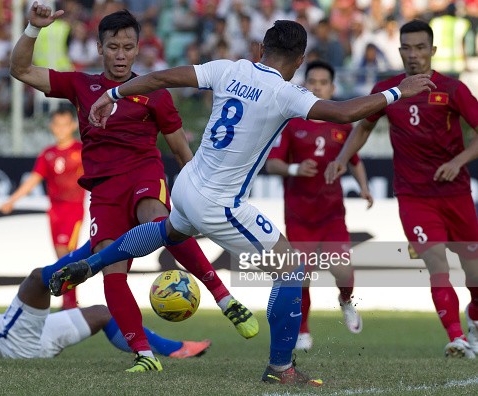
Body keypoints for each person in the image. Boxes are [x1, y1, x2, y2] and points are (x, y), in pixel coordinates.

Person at [60, 20, 434, 385]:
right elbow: (343, 112)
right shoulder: (286, 93)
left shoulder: (228, 69)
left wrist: (112, 94)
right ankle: (281, 367)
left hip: (188, 183)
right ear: (300, 61)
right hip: (218, 203)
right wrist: (398, 91)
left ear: (260, 50)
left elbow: (160, 77)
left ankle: (90, 263)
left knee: (169, 230)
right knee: (291, 269)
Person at [9, 3, 258, 372]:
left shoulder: (154, 92)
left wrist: (198, 193)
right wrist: (32, 29)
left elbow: (178, 148)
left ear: (138, 48)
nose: (121, 55)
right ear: (99, 47)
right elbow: (20, 70)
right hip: (104, 191)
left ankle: (224, 299)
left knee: (158, 219)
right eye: (113, 47)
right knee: (113, 269)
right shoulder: (82, 85)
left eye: (128, 47)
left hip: (144, 176)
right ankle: (144, 354)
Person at [325, 19, 478, 359]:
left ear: (433, 51)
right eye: (407, 48)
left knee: (474, 271)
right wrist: (341, 158)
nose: (413, 55)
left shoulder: (453, 90)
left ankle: (474, 320)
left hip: (455, 193)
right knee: (437, 263)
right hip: (413, 196)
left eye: (420, 47)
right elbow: (363, 127)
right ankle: (457, 337)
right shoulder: (389, 90)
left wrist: (459, 161)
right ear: (399, 51)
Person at [0, 241, 211, 360]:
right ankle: (93, 250)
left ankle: (175, 349)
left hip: (30, 343)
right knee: (37, 277)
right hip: (7, 344)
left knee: (101, 313)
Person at [265, 60, 372, 351]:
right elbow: (272, 164)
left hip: (332, 214)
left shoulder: (342, 124)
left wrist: (363, 188)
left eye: (323, 82)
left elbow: (355, 160)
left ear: (332, 87)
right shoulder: (291, 122)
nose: (317, 86)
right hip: (300, 216)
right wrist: (296, 170)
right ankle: (302, 330)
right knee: (301, 276)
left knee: (343, 270)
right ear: (304, 85)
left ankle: (346, 300)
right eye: (312, 81)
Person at [0, 107, 84, 310]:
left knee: (66, 254)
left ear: (73, 125)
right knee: (61, 257)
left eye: (65, 124)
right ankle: (69, 301)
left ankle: (70, 303)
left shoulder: (81, 150)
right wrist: (12, 200)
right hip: (54, 212)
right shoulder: (48, 154)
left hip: (73, 210)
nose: (61, 129)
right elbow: (34, 179)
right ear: (51, 127)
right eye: (57, 125)